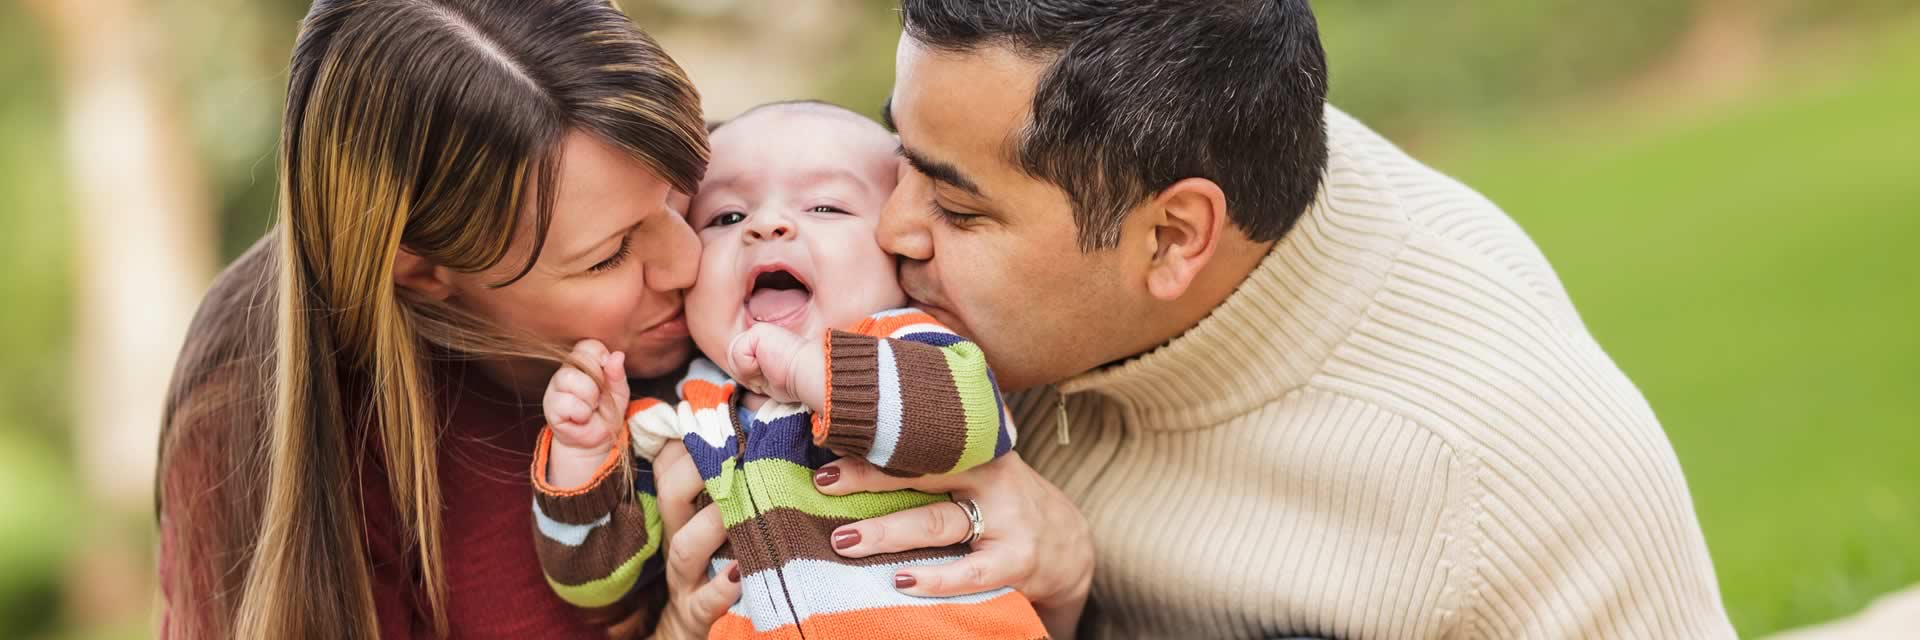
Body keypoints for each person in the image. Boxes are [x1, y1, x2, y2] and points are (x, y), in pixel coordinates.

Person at [801, 0, 1739, 637]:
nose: (891, 228)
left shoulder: (1496, 469)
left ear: (1172, 237)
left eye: (960, 211)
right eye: (901, 151)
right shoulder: (906, 249)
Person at [155, 1, 738, 637]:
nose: (689, 261)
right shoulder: (257, 397)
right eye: (610, 256)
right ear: (423, 271)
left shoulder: (762, 186)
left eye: (687, 191)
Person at [529, 101, 1049, 639]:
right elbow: (594, 580)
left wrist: (810, 370)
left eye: (825, 208)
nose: (766, 225)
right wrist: (584, 458)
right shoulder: (678, 415)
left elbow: (969, 419)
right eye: (726, 218)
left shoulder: (911, 345)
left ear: (899, 250)